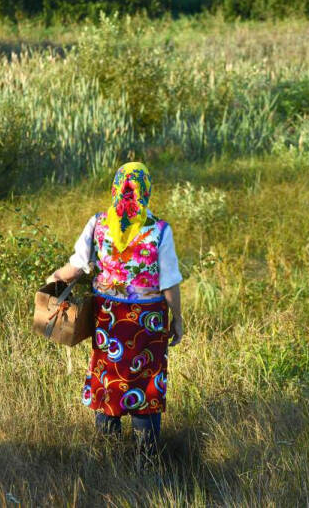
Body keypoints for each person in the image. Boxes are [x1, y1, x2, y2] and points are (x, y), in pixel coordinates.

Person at [48, 162, 183, 457]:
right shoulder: (159, 230)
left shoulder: (98, 223)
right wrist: (178, 319)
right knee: (146, 385)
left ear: (115, 188)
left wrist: (53, 280)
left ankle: (107, 456)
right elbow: (169, 283)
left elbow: (76, 267)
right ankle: (146, 460)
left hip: (108, 320)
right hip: (148, 324)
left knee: (108, 380)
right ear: (146, 190)